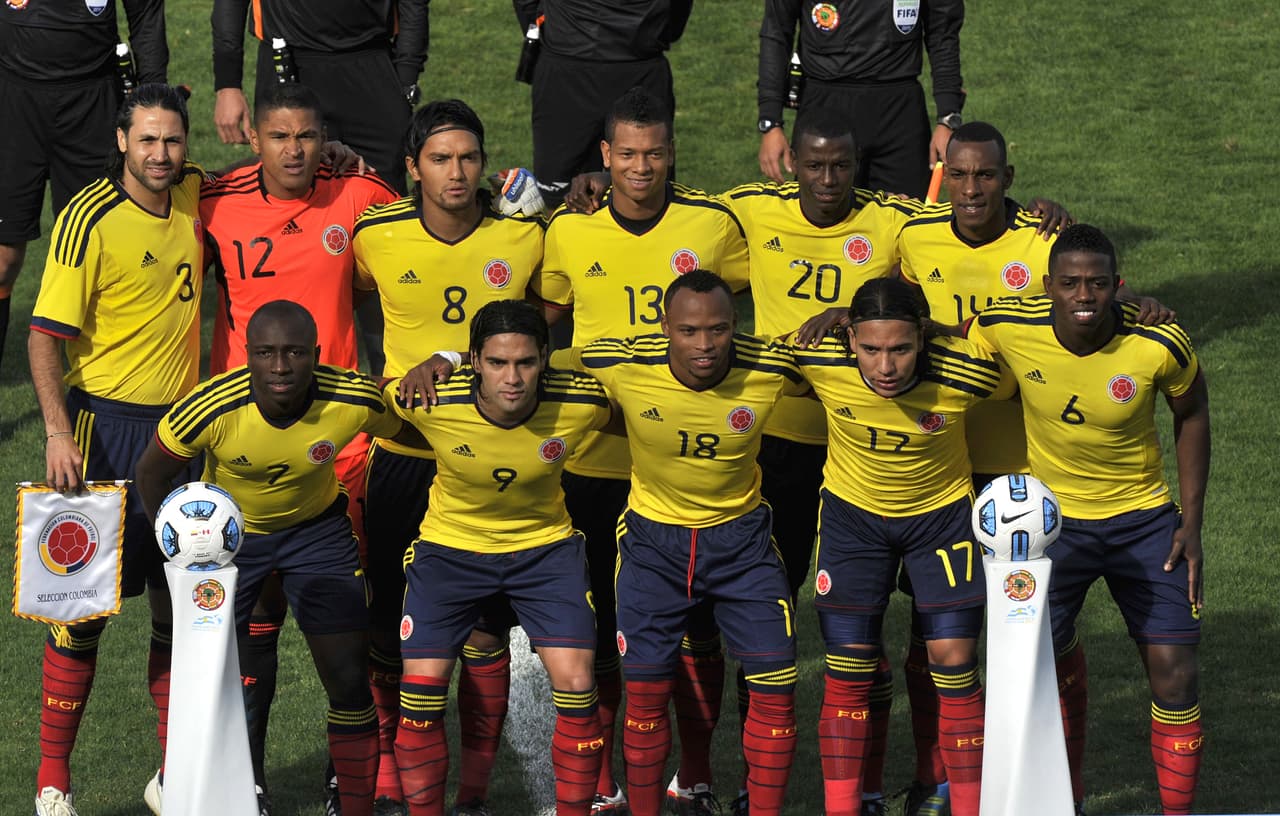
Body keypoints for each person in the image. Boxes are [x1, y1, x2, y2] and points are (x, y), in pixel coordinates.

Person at [530, 86, 750, 812]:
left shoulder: (714, 225)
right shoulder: (570, 230)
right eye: (626, 153)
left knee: (697, 631)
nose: (641, 167)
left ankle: (695, 773)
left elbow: (767, 290)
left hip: (684, 466)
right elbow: (541, 319)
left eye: (654, 152)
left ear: (672, 151)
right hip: (593, 462)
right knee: (596, 630)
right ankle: (599, 782)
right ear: (604, 156)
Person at [199, 81, 400, 812]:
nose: (293, 150)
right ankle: (244, 775)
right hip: (244, 445)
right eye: (279, 136)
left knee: (357, 613)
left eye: (307, 136)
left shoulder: (355, 193)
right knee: (255, 619)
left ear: (324, 138)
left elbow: (430, 219)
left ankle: (354, 772)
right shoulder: (214, 200)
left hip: (341, 442)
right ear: (254, 137)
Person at [135, 300, 419, 816]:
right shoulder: (211, 406)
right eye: (266, 353)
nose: (281, 367)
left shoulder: (353, 397)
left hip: (318, 534)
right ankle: (249, 792)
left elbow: (411, 434)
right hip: (234, 543)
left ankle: (351, 799)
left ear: (317, 353)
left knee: (349, 677)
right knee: (234, 673)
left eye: (293, 353)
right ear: (248, 357)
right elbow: (151, 473)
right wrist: (179, 542)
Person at [966, 224, 1209, 816]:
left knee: (1174, 673)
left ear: (1119, 287)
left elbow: (1193, 411)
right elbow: (943, 339)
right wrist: (860, 314)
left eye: (1098, 284)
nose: (1083, 296)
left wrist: (1192, 522)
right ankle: (1059, 802)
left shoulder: (1159, 342)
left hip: (1144, 522)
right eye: (1070, 283)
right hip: (1052, 529)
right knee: (1030, 669)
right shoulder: (1006, 327)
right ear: (1047, 286)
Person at [352, 98, 544, 815]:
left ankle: (471, 792)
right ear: (412, 168)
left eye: (468, 157)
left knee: (485, 629)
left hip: (487, 462)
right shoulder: (376, 234)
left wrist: (452, 355)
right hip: (401, 455)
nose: (456, 171)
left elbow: (543, 323)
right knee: (386, 623)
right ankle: (382, 773)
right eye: (440, 158)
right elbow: (336, 290)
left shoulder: (524, 239)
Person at [560, 270, 804, 816]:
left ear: (735, 326)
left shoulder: (770, 365)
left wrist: (839, 319)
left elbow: (848, 360)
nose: (704, 345)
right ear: (664, 326)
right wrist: (451, 361)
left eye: (718, 329)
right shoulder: (620, 360)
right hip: (653, 547)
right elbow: (525, 355)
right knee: (645, 698)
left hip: (743, 545)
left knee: (777, 687)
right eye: (689, 331)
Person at [26, 84, 201, 816]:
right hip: (103, 433)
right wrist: (59, 431)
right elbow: (44, 335)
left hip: (183, 436)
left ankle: (170, 777)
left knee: (178, 611)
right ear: (122, 142)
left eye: (173, 142)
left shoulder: (196, 194)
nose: (162, 155)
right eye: (149, 141)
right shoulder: (86, 218)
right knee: (81, 611)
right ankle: (52, 782)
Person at [791, 276, 1015, 816]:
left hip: (940, 523)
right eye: (870, 349)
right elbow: (725, 350)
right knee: (847, 666)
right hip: (853, 523)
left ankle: (966, 807)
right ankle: (845, 808)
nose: (885, 367)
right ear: (850, 340)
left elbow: (1039, 365)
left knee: (954, 661)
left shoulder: (970, 373)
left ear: (922, 337)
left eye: (900, 349)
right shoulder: (815, 359)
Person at [387, 299, 616, 816]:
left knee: (580, 689)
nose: (512, 378)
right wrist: (437, 357)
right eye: (496, 363)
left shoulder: (582, 401)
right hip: (451, 553)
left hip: (545, 554)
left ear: (545, 360)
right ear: (474, 361)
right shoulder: (432, 397)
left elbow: (638, 408)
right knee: (420, 700)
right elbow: (373, 405)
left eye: (525, 363)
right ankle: (458, 805)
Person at [211, 0, 430, 378]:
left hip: (372, 68)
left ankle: (389, 394)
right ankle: (271, 384)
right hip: (288, 60)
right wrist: (227, 82)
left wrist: (406, 75)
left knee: (386, 241)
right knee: (280, 216)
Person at [0, 0, 167, 371]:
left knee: (103, 251)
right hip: (12, 101)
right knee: (3, 259)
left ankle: (106, 386)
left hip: (92, 105)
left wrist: (154, 101)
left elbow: (145, 14)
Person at [757, 0, 963, 197]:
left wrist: (948, 117)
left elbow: (943, 32)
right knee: (823, 225)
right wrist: (770, 121)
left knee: (906, 222)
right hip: (825, 110)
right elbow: (776, 30)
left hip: (899, 116)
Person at [513, 0, 693, 209]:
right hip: (636, 63)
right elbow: (677, 12)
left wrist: (551, 29)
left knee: (564, 198)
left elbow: (526, 3)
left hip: (566, 69)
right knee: (647, 191)